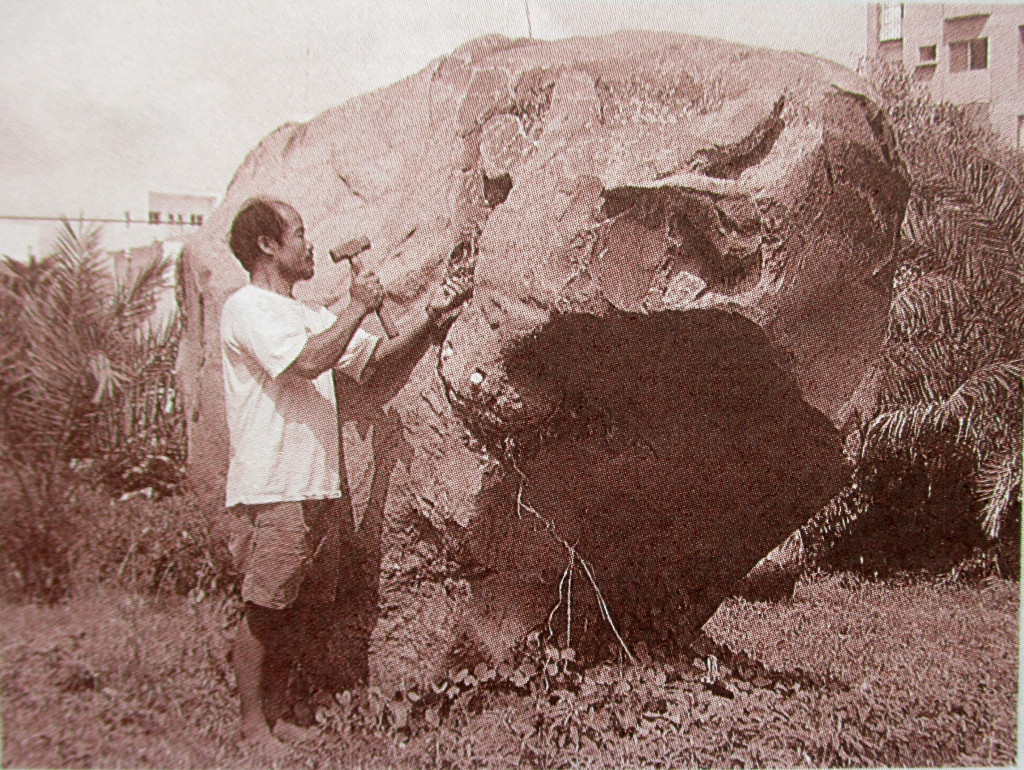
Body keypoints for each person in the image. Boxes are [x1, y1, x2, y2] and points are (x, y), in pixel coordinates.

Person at [221, 197, 468, 750]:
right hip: (275, 485)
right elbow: (309, 362)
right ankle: (250, 727)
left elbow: (371, 357)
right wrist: (357, 304)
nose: (310, 246)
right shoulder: (246, 308)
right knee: (265, 607)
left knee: (299, 606)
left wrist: (433, 316)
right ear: (267, 245)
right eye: (300, 234)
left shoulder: (307, 316)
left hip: (318, 484)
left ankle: (280, 711)